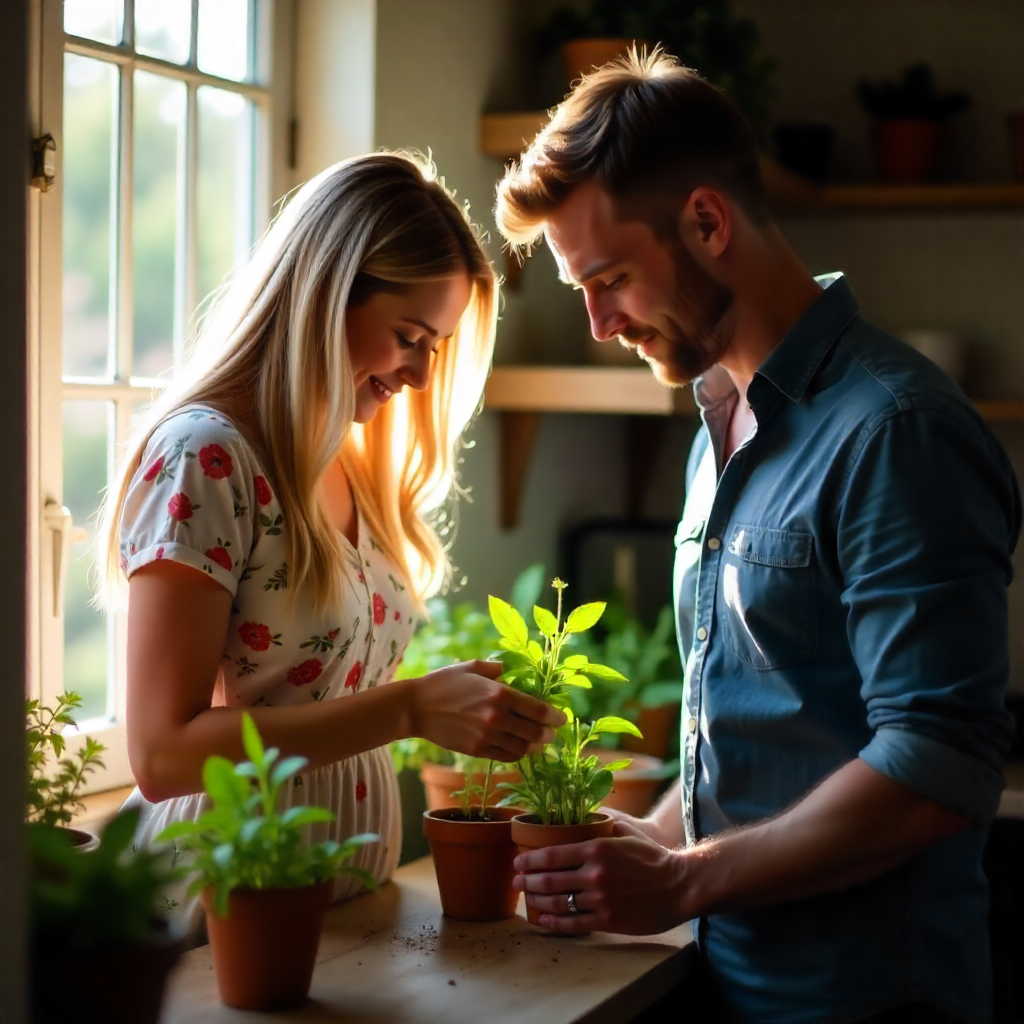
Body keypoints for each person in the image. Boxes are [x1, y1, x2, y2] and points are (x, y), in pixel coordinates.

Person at [495, 50, 1021, 1024]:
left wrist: (684, 878)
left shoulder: (894, 430)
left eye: (610, 279)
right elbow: (765, 727)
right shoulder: (719, 425)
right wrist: (653, 839)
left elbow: (938, 762)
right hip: (724, 982)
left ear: (706, 222)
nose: (599, 324)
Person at [98, 152, 563, 937]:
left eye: (437, 346)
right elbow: (163, 753)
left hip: (347, 907)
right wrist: (411, 707)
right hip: (217, 916)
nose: (421, 375)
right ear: (325, 296)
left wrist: (456, 701)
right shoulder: (207, 457)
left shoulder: (352, 463)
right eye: (409, 336)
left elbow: (332, 690)